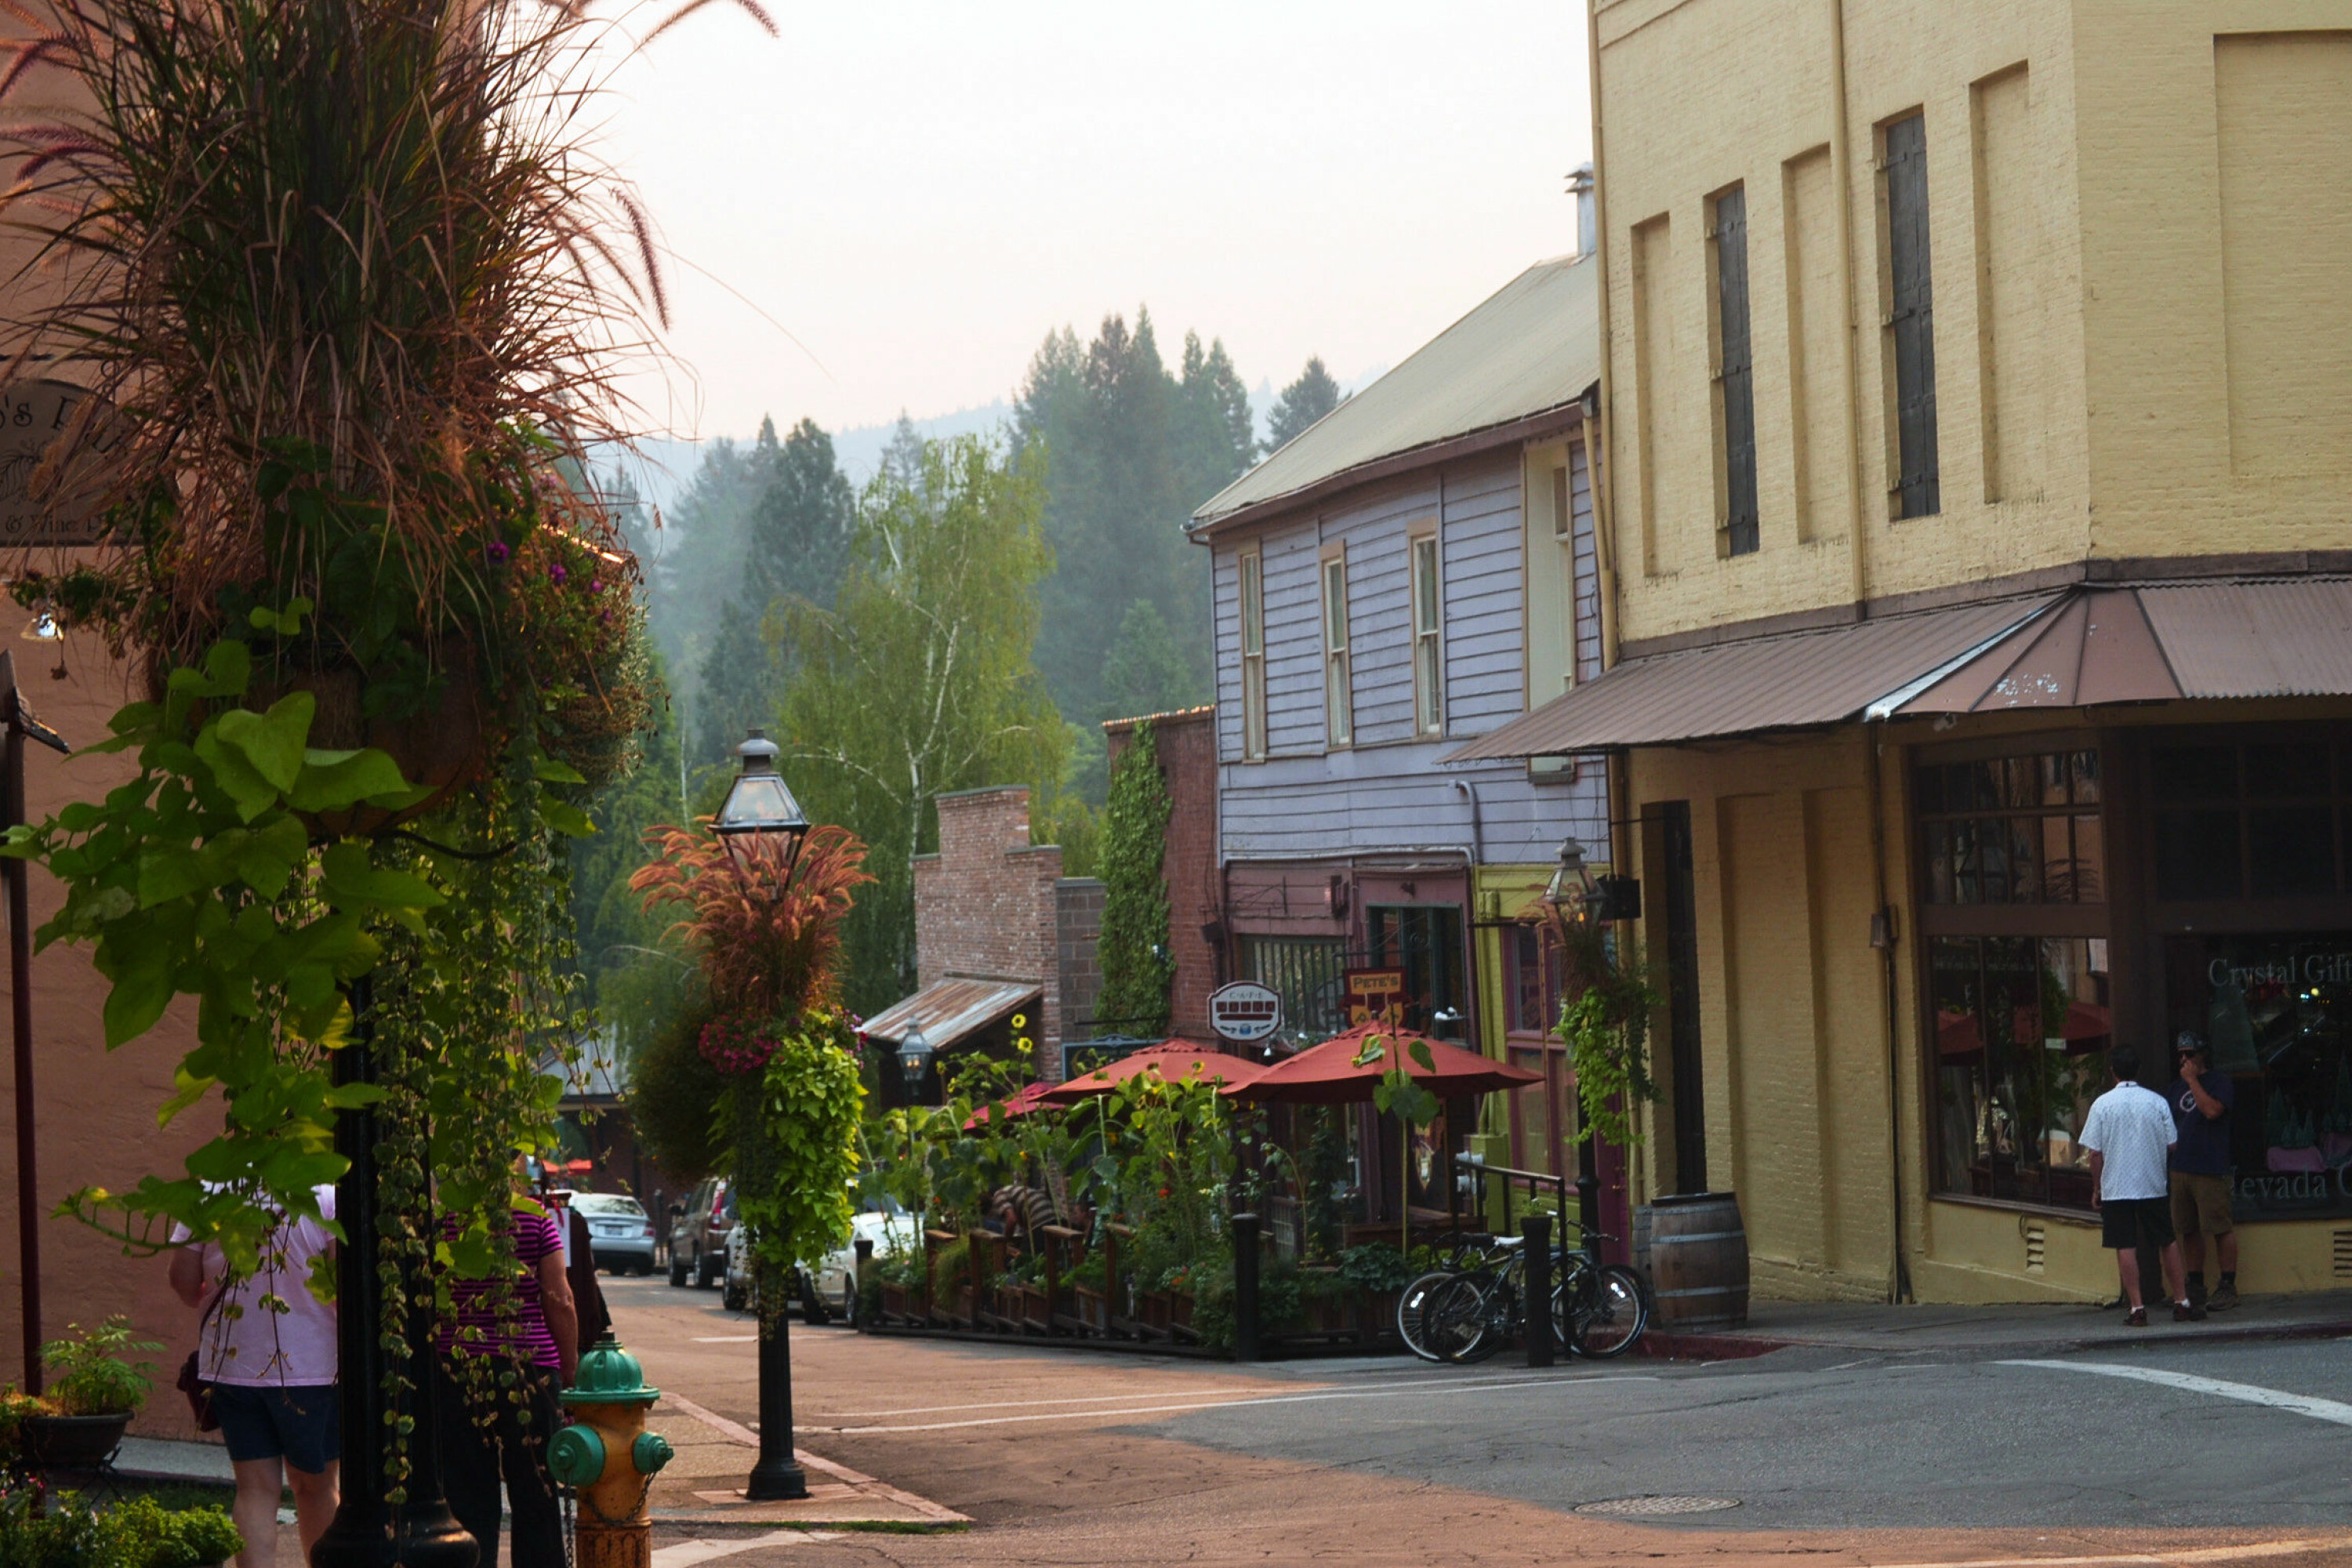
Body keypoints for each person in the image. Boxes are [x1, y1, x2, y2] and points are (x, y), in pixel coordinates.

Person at [166, 1186, 341, 1568]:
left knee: (255, 1490)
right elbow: (342, 1287)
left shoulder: (209, 1191)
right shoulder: (325, 1191)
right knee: (316, 1487)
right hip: (311, 1366)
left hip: (233, 1363)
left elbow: (183, 1282)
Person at [435, 1185, 580, 1568]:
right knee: (537, 1489)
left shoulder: (447, 1220)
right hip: (530, 1367)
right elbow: (559, 1298)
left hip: (461, 1365)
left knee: (469, 1492)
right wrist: (569, 1368)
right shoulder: (535, 1218)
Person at [2080, 1044, 2204, 1327]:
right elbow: (2172, 1144)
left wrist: (2097, 1188)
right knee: (2167, 1241)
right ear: (2138, 1070)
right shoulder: (2157, 1102)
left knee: (2125, 1245)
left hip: (2116, 1186)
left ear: (2113, 1071)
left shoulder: (2102, 1105)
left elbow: (2095, 1154)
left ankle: (2137, 1307)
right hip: (2152, 1183)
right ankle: (2182, 1301)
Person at [2168, 1031, 2240, 1312]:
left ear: (2203, 1054)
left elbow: (2212, 1111)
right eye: (2181, 1055)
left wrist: (2192, 1081)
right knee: (2188, 1229)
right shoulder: (2175, 1089)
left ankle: (2228, 1285)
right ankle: (2195, 1284)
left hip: (2210, 1167)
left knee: (2219, 1227)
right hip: (2181, 1166)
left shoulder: (2219, 1082)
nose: (2184, 1060)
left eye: (2190, 1054)